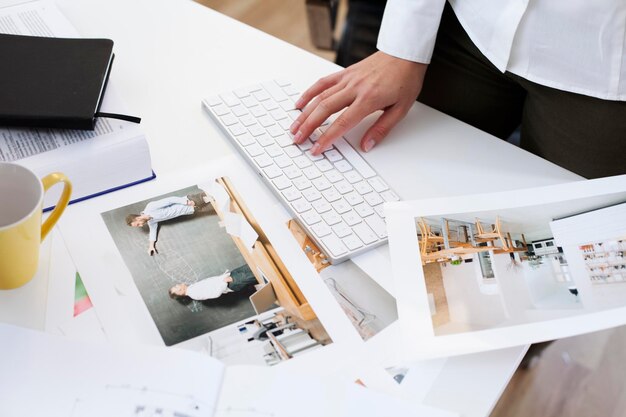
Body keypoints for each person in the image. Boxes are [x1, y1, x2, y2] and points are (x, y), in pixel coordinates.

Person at [290, 1, 626, 179]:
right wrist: (402, 45)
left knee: (572, 235)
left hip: (606, 68)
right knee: (379, 170)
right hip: (472, 22)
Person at [126, 192, 209, 255]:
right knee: (215, 201)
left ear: (137, 218)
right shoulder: (151, 222)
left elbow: (170, 200)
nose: (141, 225)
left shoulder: (150, 207)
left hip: (191, 201)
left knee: (215, 193)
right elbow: (153, 232)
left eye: (138, 224)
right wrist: (151, 246)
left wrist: (186, 202)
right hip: (192, 209)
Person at [169, 265, 258, 301]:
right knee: (259, 272)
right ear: (180, 292)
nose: (177, 285)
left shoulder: (191, 288)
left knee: (255, 265)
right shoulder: (194, 294)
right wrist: (224, 282)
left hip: (229, 277)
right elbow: (214, 293)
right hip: (232, 282)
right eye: (176, 287)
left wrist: (224, 278)